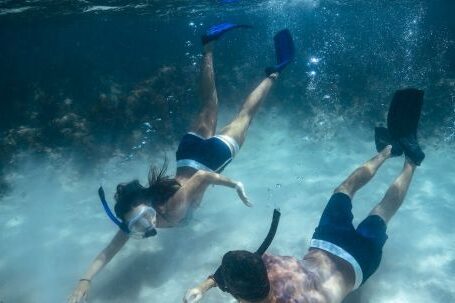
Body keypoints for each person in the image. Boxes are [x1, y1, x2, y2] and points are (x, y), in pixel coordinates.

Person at [67, 24, 295, 303]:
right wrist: (84, 280)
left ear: (148, 205)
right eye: (137, 225)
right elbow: (107, 252)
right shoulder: (139, 218)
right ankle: (208, 45)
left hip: (212, 158)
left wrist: (234, 184)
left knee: (245, 116)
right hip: (187, 150)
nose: (146, 224)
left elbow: (201, 178)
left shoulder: (169, 208)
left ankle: (276, 71)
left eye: (143, 217)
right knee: (209, 102)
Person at [184, 89, 425, 303]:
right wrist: (204, 286)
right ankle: (389, 151)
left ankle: (408, 161)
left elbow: (235, 270)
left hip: (357, 261)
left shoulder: (261, 270)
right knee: (346, 191)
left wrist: (203, 286)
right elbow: (241, 267)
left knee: (381, 211)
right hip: (330, 245)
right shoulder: (268, 264)